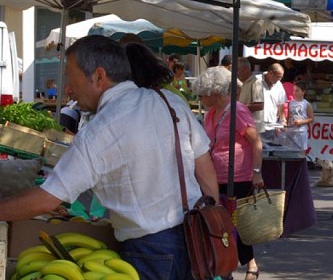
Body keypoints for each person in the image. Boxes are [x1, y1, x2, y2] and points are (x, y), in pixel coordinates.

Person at [0, 35, 219, 280]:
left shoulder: (98, 131)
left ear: (99, 76)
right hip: (197, 237)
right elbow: (205, 169)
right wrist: (214, 221)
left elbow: (47, 199)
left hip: (150, 250)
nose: (68, 89)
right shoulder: (169, 102)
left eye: (71, 77)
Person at [193, 66, 263, 280]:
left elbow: (256, 141)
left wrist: (257, 172)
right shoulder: (211, 113)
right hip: (216, 176)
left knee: (238, 224)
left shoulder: (238, 111)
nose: (200, 97)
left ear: (215, 92)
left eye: (202, 93)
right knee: (221, 223)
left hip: (238, 177)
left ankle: (249, 263)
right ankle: (227, 267)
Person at [237, 57, 265, 135]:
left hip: (254, 128)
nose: (236, 73)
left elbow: (259, 105)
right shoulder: (242, 83)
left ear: (245, 69)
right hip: (244, 126)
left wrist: (238, 108)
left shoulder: (255, 82)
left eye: (237, 70)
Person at [283, 80, 314, 151]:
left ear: (303, 92)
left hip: (301, 132)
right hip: (290, 131)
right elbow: (288, 116)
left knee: (301, 151)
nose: (294, 93)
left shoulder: (306, 104)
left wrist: (301, 122)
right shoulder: (290, 103)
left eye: (297, 91)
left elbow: (311, 118)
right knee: (289, 150)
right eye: (294, 91)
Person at [261, 63, 286, 142]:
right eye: (278, 77)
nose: (279, 80)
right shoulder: (256, 81)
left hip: (271, 124)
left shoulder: (279, 85)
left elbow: (281, 104)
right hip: (257, 124)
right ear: (271, 73)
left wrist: (282, 119)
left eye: (281, 78)